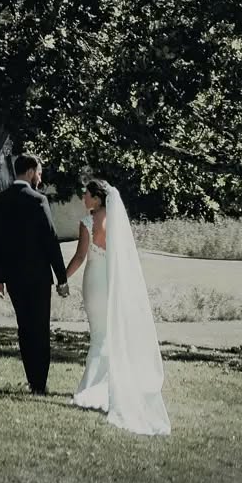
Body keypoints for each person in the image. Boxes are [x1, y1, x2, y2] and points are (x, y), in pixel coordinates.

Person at [65, 176, 171, 437]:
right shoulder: (117, 224)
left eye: (87, 194)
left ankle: (89, 388)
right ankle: (107, 385)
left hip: (94, 283)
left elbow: (80, 256)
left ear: (97, 198)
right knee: (107, 336)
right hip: (111, 284)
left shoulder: (88, 223)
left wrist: (62, 278)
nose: (83, 198)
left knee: (98, 336)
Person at [0, 152, 69, 395]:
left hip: (13, 276)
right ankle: (39, 383)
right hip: (38, 276)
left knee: (24, 327)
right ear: (31, 172)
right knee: (40, 328)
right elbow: (51, 240)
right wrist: (61, 277)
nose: (40, 178)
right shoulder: (38, 201)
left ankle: (32, 379)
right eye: (40, 173)